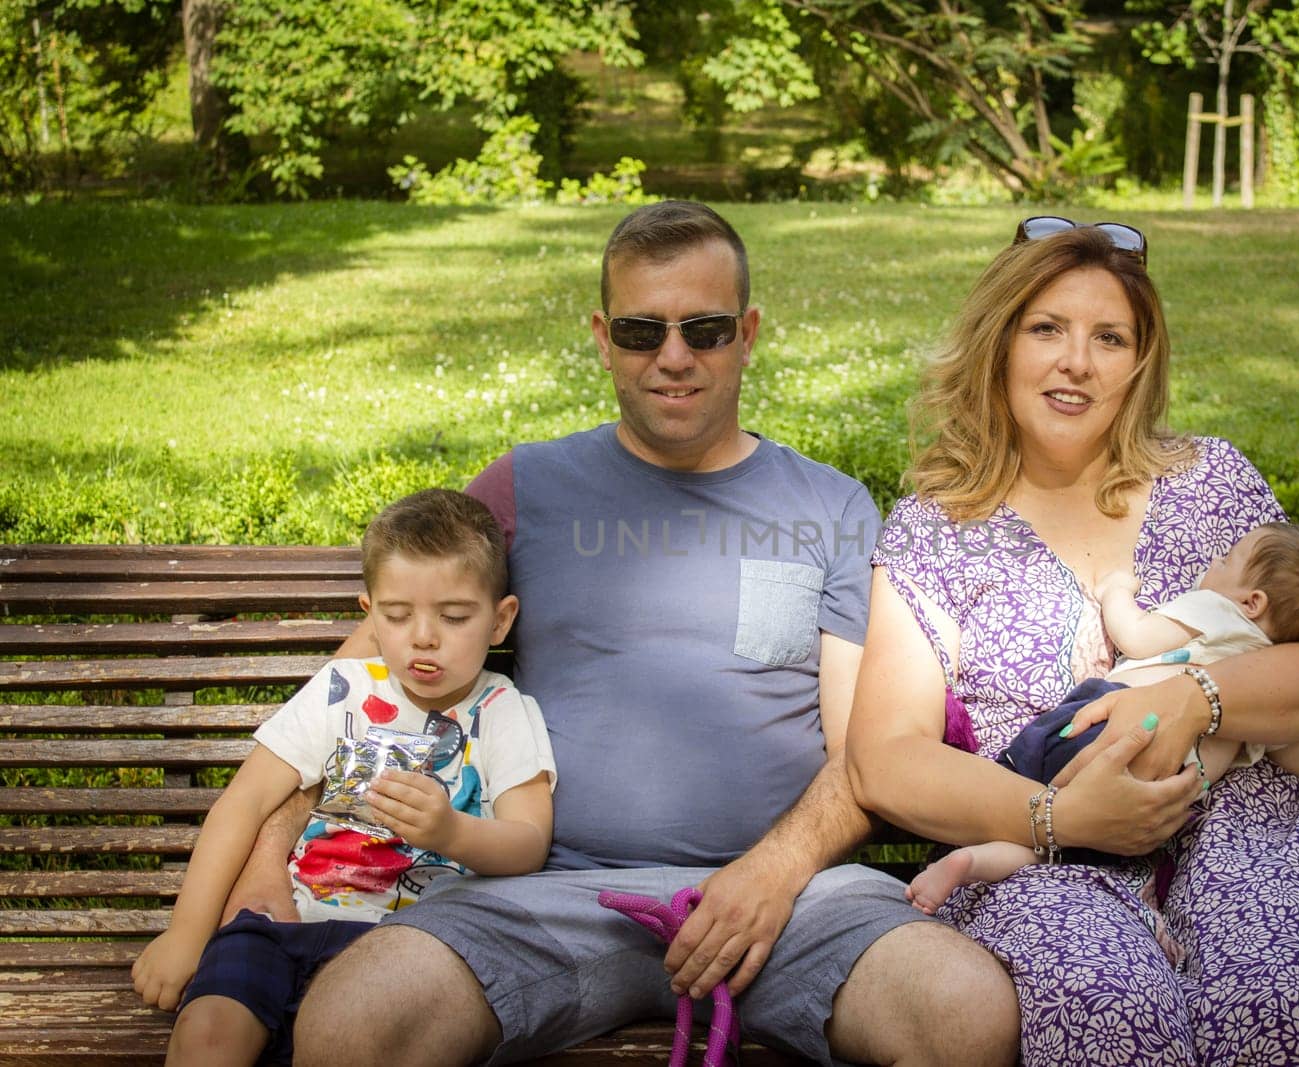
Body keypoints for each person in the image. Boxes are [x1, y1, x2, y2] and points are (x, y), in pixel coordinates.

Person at [230, 201, 1035, 1067]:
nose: (675, 356)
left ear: (749, 332)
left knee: (964, 1012)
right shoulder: (523, 487)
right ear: (603, 336)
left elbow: (862, 752)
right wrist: (261, 865)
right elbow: (354, 691)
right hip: (543, 895)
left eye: (707, 328)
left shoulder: (829, 505)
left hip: (793, 901)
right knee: (352, 1025)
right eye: (643, 330)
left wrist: (769, 873)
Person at [848, 217, 1299, 1064]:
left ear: (1140, 362)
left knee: (1275, 993)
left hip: (1244, 827)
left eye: (1110, 337)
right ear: (1000, 342)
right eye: (1047, 330)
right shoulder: (937, 530)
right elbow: (886, 756)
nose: (1077, 362)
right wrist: (1057, 814)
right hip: (1044, 854)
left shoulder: (1210, 482)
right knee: (1105, 1001)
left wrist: (1195, 696)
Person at [133, 488, 557, 1066]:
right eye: (397, 615)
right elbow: (246, 802)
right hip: (286, 920)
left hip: (406, 949)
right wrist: (187, 933)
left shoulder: (502, 711)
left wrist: (450, 832)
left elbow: (529, 842)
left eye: (454, 616)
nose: (423, 636)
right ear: (370, 614)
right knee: (208, 1034)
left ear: (499, 620)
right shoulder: (343, 690)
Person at [906, 520, 1299, 913]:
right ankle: (974, 862)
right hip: (1154, 795)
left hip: (1097, 729)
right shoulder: (1269, 688)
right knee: (1060, 850)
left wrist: (1116, 592)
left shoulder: (1219, 614)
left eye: (1227, 558)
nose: (1215, 562)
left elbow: (1139, 637)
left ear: (1253, 603)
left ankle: (966, 850)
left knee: (1046, 810)